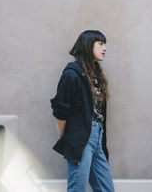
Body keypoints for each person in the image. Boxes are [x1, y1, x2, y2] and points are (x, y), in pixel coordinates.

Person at [51, 30, 115, 192]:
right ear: (88, 46)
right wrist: (67, 137)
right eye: (100, 44)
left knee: (106, 188)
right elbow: (60, 110)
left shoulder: (95, 75)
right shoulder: (72, 74)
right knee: (77, 188)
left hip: (97, 137)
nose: (105, 48)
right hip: (81, 137)